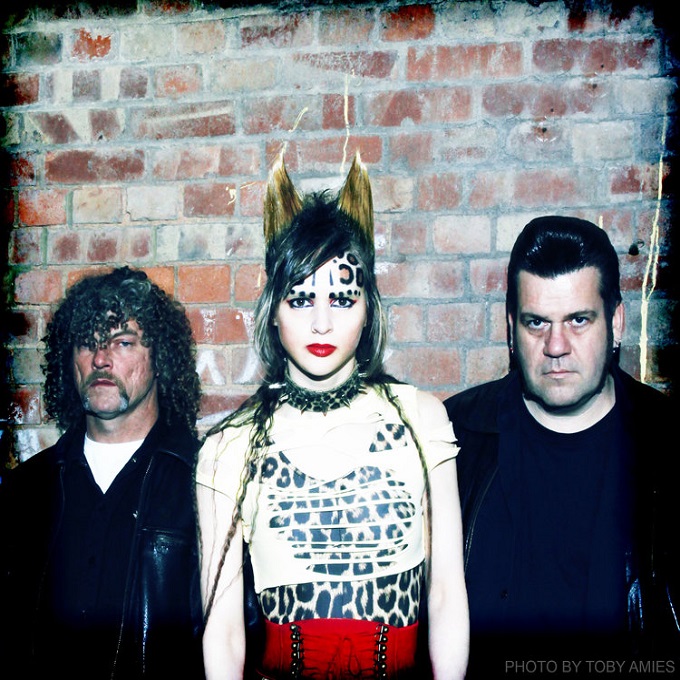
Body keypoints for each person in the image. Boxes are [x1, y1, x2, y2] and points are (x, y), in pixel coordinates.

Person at [196, 152, 469, 680]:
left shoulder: (421, 421)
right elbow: (223, 632)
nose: (321, 323)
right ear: (273, 312)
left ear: (368, 309)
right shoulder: (230, 446)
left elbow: (446, 597)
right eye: (300, 300)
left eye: (342, 299)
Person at [444, 216, 679, 676]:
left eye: (578, 320)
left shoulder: (668, 443)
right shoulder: (455, 439)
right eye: (536, 323)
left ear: (616, 322)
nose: (556, 346)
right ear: (511, 329)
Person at [0, 267, 206, 680]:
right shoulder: (27, 489)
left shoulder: (202, 482)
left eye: (123, 342)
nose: (100, 359)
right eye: (87, 343)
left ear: (159, 359)